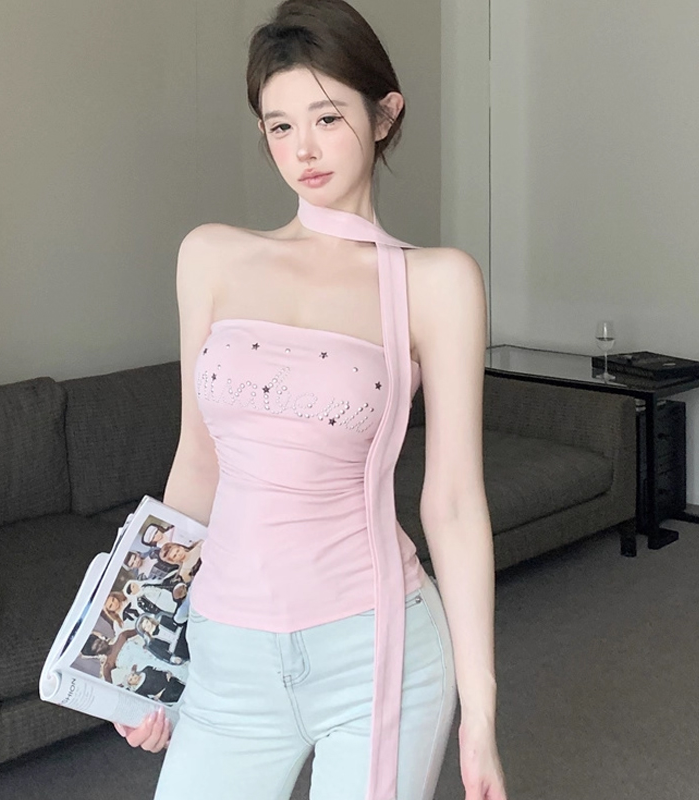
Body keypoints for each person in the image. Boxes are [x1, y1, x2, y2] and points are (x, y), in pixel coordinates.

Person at [115, 2, 506, 799]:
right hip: (225, 654)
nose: (304, 150)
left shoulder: (437, 282)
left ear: (384, 115)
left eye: (327, 118)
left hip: (377, 655)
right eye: (280, 125)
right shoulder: (211, 257)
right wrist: (140, 649)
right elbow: (197, 464)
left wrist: (481, 712)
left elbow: (454, 504)